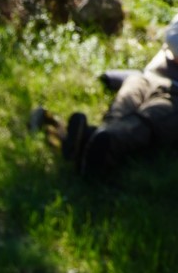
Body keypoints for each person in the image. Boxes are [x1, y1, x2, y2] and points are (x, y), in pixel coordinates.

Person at [61, 17, 178, 178]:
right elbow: (172, 39)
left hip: (174, 96)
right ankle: (96, 139)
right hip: (146, 78)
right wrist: (112, 77)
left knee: (147, 119)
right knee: (124, 103)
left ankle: (101, 147)